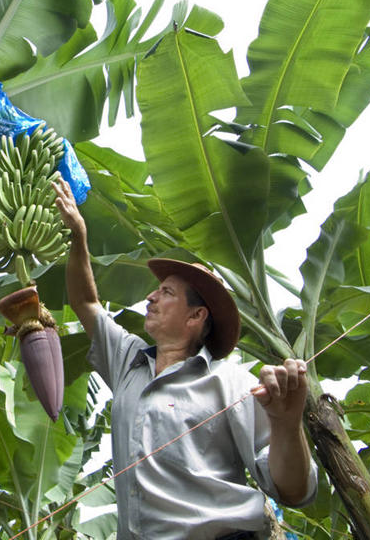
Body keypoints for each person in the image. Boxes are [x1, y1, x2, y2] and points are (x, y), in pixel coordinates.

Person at [52, 178, 318, 539]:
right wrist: (79, 236)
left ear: (196, 317)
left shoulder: (231, 383)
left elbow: (292, 491)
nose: (150, 297)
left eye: (166, 292)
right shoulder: (129, 362)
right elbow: (86, 303)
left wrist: (287, 424)